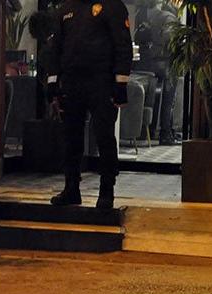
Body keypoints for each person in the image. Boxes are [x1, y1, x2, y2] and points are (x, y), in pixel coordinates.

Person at [46, 0, 133, 210]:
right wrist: (52, 81)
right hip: (72, 82)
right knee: (71, 137)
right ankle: (71, 188)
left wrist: (120, 84)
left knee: (104, 137)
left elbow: (123, 45)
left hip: (102, 82)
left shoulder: (112, 6)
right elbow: (55, 47)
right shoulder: (66, 8)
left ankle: (106, 190)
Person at [134, 0, 179, 145]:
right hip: (165, 62)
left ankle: (149, 131)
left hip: (146, 63)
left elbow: (137, 38)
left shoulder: (141, 15)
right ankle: (166, 133)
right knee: (168, 100)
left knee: (151, 98)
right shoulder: (168, 17)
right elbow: (171, 41)